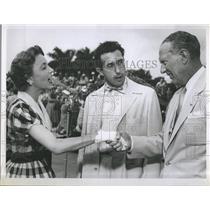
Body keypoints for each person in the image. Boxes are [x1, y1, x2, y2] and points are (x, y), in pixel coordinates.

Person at [109, 31, 206, 178]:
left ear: (184, 56)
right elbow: (166, 142)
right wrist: (132, 142)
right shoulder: (176, 96)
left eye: (164, 62)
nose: (161, 70)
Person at [6, 45, 95, 178]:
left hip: (41, 167)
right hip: (26, 173)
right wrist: (99, 136)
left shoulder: (37, 102)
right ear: (29, 78)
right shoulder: (19, 107)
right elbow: (55, 146)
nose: (51, 70)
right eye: (44, 67)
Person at [77, 41, 162, 178]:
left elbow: (156, 146)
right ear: (100, 71)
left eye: (120, 62)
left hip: (128, 175)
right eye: (110, 65)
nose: (118, 70)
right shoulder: (91, 98)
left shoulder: (147, 95)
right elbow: (84, 146)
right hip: (94, 174)